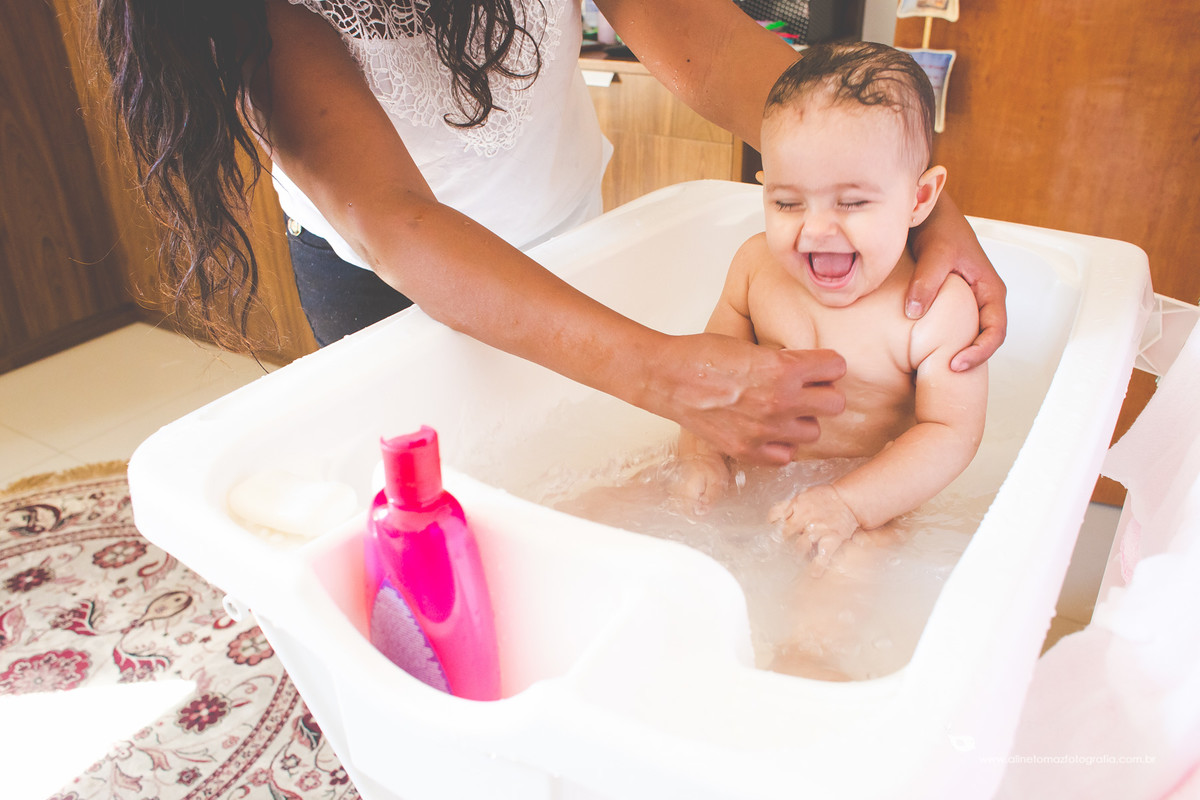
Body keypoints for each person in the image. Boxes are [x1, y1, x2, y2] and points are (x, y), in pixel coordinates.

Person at [94, 0, 1005, 468]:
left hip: (573, 241)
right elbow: (396, 220)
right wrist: (663, 372)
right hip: (381, 285)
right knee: (453, 505)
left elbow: (720, 53)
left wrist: (921, 209)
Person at [674, 41, 988, 575]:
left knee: (851, 566)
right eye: (788, 202)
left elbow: (950, 434)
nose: (816, 229)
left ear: (920, 198)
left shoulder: (936, 311)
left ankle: (807, 656)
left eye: (852, 202)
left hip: (871, 497)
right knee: (644, 505)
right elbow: (711, 371)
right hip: (745, 467)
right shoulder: (755, 268)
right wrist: (699, 455)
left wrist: (849, 504)